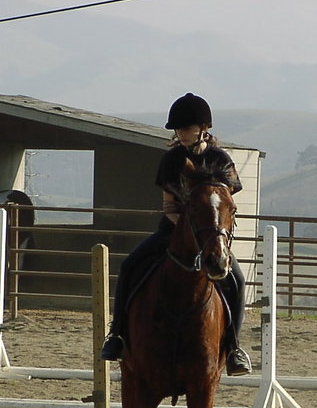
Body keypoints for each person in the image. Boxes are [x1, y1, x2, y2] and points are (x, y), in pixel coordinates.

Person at [99, 92, 252, 376]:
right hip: (173, 231)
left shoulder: (220, 160)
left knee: (238, 280)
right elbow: (169, 206)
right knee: (129, 266)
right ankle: (116, 335)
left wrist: (208, 230)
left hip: (210, 235)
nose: (180, 133)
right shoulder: (171, 160)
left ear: (202, 128)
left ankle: (233, 348)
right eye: (178, 129)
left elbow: (225, 202)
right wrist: (187, 228)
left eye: (186, 128)